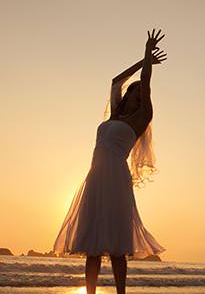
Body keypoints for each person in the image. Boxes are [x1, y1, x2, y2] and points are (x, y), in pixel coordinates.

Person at [53, 29, 167, 294]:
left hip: (116, 178)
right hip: (95, 178)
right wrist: (142, 60)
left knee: (117, 247)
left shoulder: (139, 119)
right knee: (92, 246)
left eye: (142, 94)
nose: (139, 95)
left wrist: (148, 57)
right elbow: (116, 80)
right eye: (136, 92)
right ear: (129, 96)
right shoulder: (115, 115)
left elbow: (147, 83)